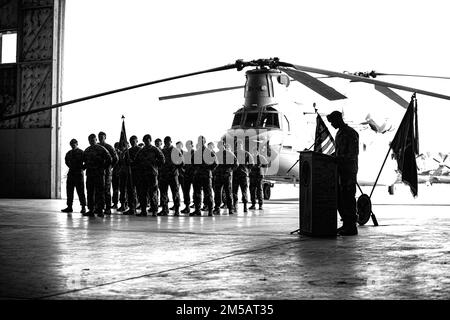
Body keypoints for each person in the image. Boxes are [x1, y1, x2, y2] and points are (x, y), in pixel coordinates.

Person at [327, 111, 359, 236]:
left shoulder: (350, 133)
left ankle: (351, 227)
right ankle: (346, 224)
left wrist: (338, 159)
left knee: (348, 198)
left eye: (332, 122)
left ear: (338, 119)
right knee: (340, 198)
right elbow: (339, 152)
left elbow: (352, 154)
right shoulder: (339, 133)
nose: (332, 125)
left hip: (348, 170)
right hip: (340, 170)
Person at [134, 134, 165, 216]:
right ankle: (143, 210)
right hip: (143, 175)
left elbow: (162, 159)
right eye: (144, 140)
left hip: (152, 174)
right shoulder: (141, 150)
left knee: (153, 193)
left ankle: (154, 210)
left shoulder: (155, 149)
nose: (146, 141)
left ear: (150, 140)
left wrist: (154, 166)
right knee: (142, 193)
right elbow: (136, 161)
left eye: (147, 140)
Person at [82, 134, 112, 217]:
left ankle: (100, 210)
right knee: (90, 192)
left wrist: (103, 168)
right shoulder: (87, 150)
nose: (92, 141)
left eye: (93, 139)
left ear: (96, 140)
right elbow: (83, 161)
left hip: (99, 174)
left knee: (100, 192)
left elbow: (110, 159)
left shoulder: (101, 149)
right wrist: (84, 167)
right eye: (90, 140)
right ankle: (91, 209)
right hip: (90, 174)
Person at [191, 136, 217, 216]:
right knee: (196, 193)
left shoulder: (209, 151)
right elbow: (192, 162)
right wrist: (197, 169)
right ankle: (197, 210)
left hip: (206, 175)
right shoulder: (196, 152)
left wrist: (208, 169)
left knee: (208, 193)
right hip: (198, 175)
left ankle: (210, 210)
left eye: (202, 141)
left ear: (204, 142)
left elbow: (215, 163)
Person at [158, 136, 182, 216]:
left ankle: (177, 209)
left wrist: (175, 169)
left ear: (171, 142)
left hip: (173, 175)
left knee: (175, 193)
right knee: (163, 193)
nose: (166, 143)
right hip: (164, 175)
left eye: (168, 142)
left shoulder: (175, 150)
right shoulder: (162, 151)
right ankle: (165, 209)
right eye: (165, 142)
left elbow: (182, 162)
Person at [61, 139, 87, 214]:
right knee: (69, 191)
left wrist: (83, 168)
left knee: (80, 191)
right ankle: (69, 207)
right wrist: (71, 167)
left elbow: (86, 161)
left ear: (77, 144)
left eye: (74, 143)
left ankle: (83, 207)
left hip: (79, 174)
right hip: (71, 174)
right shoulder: (69, 153)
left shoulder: (81, 152)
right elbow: (66, 161)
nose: (73, 145)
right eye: (71, 144)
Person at [213, 141, 237, 215]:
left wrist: (229, 171)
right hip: (220, 175)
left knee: (227, 192)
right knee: (218, 193)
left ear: (224, 146)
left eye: (221, 145)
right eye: (219, 145)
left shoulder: (229, 154)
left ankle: (230, 208)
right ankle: (218, 208)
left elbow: (236, 164)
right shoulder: (216, 154)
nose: (220, 147)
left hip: (225, 175)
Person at [98, 131, 118, 215]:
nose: (100, 138)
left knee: (106, 190)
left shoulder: (109, 147)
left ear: (105, 137)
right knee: (99, 190)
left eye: (102, 137)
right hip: (98, 172)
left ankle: (108, 208)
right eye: (99, 137)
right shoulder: (96, 146)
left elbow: (115, 158)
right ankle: (99, 207)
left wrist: (110, 167)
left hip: (107, 173)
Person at [232, 139, 254, 213]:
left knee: (241, 191)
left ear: (242, 145)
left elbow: (252, 163)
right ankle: (237, 205)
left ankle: (243, 206)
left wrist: (247, 169)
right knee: (237, 191)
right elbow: (252, 164)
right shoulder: (236, 154)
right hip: (239, 175)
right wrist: (247, 169)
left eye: (240, 145)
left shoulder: (244, 153)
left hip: (241, 175)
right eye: (238, 145)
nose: (239, 146)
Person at [121, 135, 141, 215]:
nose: (133, 142)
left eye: (134, 141)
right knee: (130, 192)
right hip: (130, 174)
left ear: (137, 141)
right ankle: (132, 208)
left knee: (140, 192)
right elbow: (124, 163)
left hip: (139, 174)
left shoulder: (140, 150)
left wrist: (133, 162)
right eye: (131, 141)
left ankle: (143, 208)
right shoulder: (128, 152)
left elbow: (142, 161)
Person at [249, 146, 268, 210]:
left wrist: (264, 174)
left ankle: (260, 205)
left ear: (257, 152)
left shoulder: (261, 158)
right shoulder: (251, 157)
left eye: (255, 151)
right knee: (252, 191)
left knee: (259, 191)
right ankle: (253, 204)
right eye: (253, 151)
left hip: (259, 176)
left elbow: (266, 166)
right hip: (252, 176)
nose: (254, 152)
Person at [181, 140, 195, 214]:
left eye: (189, 145)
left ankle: (196, 207)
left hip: (194, 175)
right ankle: (187, 207)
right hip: (186, 175)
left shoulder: (196, 153)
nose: (188, 146)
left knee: (196, 191)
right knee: (186, 192)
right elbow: (182, 164)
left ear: (192, 145)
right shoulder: (185, 154)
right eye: (186, 145)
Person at [111, 142, 121, 209]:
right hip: (114, 173)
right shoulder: (113, 154)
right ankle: (115, 203)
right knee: (115, 190)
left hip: (121, 174)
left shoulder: (123, 154)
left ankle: (124, 204)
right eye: (115, 147)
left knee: (123, 190)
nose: (116, 148)